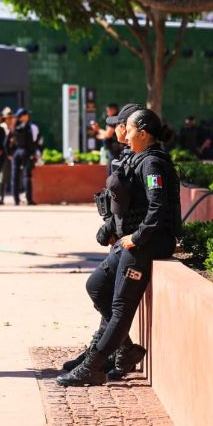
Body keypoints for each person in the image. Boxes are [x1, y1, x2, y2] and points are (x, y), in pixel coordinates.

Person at [57, 106, 181, 387]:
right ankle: (124, 349)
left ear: (144, 133)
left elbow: (158, 205)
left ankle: (94, 366)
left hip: (147, 244)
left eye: (130, 127)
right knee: (96, 286)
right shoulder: (136, 158)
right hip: (131, 241)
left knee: (121, 307)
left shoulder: (152, 163)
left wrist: (137, 237)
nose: (123, 131)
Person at [10, 108, 37, 205]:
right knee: (27, 176)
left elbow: (6, 142)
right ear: (22, 117)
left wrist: (10, 153)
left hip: (16, 153)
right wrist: (33, 153)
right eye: (26, 115)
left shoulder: (13, 126)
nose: (28, 117)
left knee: (15, 177)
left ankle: (16, 200)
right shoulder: (27, 127)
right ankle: (29, 199)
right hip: (25, 152)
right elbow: (30, 142)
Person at [0, 108, 16, 203]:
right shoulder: (2, 127)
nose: (9, 119)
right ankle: (1, 197)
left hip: (13, 153)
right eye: (8, 118)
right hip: (5, 154)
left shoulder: (13, 127)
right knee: (3, 176)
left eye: (11, 117)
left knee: (14, 175)